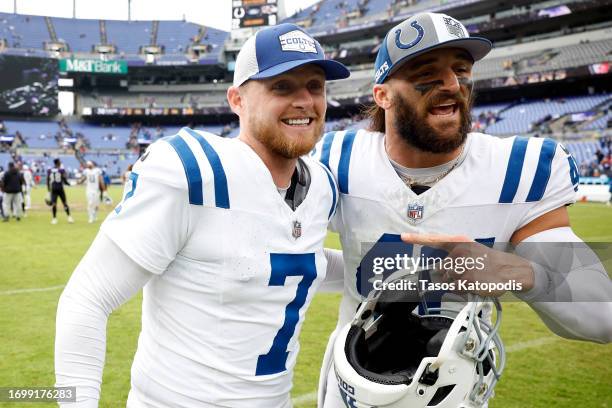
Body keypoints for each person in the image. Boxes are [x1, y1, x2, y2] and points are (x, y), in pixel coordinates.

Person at [315, 12, 612, 407]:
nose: (452, 84)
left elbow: (602, 314)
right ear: (383, 94)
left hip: (456, 392)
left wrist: (520, 274)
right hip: (353, 383)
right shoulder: (337, 159)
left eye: (461, 69)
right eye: (428, 72)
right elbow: (281, 254)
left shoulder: (518, 169)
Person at [55, 23, 350, 407]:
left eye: (315, 86)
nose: (304, 101)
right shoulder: (192, 172)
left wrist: (423, 272)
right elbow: (87, 298)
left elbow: (296, 264)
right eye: (282, 87)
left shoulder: (321, 186)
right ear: (237, 100)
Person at [47, 158, 73, 225]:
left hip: (53, 189)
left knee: (54, 204)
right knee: (64, 203)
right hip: (60, 188)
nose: (60, 162)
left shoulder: (50, 170)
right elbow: (64, 179)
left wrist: (48, 190)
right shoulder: (61, 170)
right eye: (59, 162)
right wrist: (69, 184)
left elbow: (47, 180)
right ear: (58, 162)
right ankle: (69, 217)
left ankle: (54, 218)